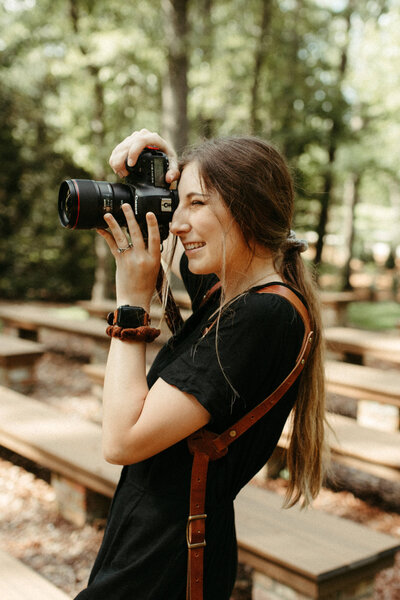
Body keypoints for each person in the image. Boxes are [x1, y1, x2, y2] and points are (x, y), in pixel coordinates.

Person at [73, 128, 326, 600]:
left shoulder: (262, 315)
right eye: (179, 203)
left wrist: (130, 305)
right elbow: (182, 245)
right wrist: (164, 170)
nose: (176, 224)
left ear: (248, 209)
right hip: (156, 543)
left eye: (197, 204)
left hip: (166, 564)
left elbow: (122, 439)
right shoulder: (231, 293)